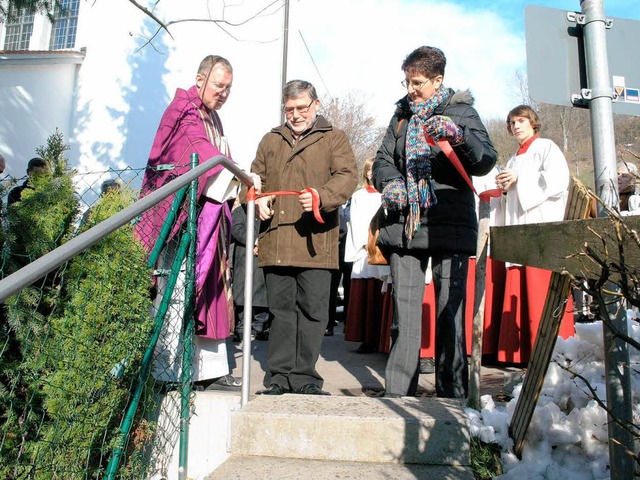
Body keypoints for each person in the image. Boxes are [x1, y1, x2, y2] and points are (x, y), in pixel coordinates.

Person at [372, 46, 497, 399]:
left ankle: (452, 398)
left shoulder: (462, 112)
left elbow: (485, 159)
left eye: (418, 82)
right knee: (405, 317)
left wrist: (459, 135)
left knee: (450, 314)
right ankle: (398, 395)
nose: (410, 89)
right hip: (406, 226)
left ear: (438, 79)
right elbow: (383, 160)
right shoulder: (400, 117)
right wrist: (391, 183)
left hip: (449, 222)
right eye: (407, 81)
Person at [136, 55, 257, 391]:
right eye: (219, 85)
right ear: (201, 79)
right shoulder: (183, 109)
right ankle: (169, 372)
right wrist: (238, 174)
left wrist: (238, 177)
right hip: (182, 221)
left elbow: (216, 157)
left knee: (212, 292)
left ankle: (209, 370)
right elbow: (196, 152)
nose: (223, 93)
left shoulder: (214, 119)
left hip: (208, 218)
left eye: (228, 88)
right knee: (177, 291)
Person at [248, 79, 357, 396]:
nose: (295, 114)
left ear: (316, 105)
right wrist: (256, 198)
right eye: (289, 109)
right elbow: (254, 179)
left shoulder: (334, 138)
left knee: (313, 313)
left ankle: (306, 376)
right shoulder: (271, 140)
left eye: (301, 107)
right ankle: (279, 376)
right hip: (278, 240)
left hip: (316, 242)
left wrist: (321, 196)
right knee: (281, 312)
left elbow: (348, 176)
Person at [493, 104, 574, 364]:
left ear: (532, 123)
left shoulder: (546, 147)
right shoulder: (513, 158)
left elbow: (557, 182)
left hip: (541, 227)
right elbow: (513, 193)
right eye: (512, 122)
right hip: (520, 227)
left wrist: (520, 179)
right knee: (520, 285)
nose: (516, 126)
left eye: (521, 121)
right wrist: (505, 188)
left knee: (540, 288)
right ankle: (523, 353)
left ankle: (552, 352)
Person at [343, 156, 390, 353]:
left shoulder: (387, 194)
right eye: (370, 170)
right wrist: (364, 244)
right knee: (367, 294)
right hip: (365, 249)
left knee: (383, 292)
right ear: (366, 172)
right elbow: (356, 221)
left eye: (376, 169)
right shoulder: (359, 196)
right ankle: (366, 338)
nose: (372, 173)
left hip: (384, 249)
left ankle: (382, 338)